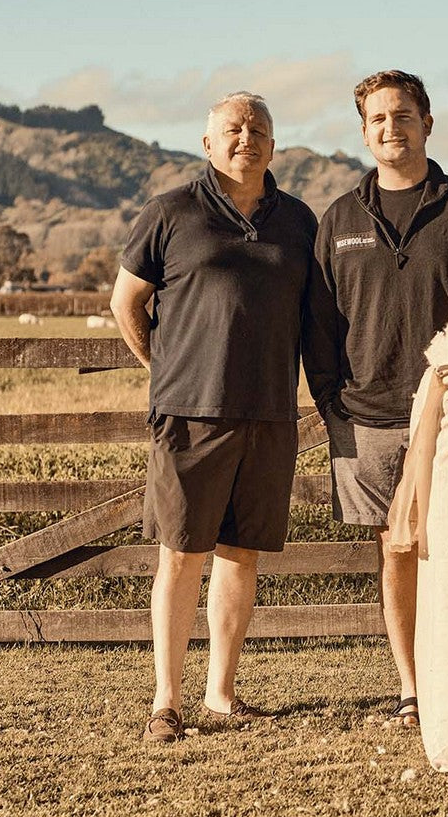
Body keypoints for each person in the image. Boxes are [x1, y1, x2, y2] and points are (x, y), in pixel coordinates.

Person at [304, 69, 448, 728]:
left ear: (428, 123)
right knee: (395, 553)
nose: (390, 128)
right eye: (377, 119)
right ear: (363, 132)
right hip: (370, 422)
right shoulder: (339, 219)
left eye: (402, 116)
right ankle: (413, 687)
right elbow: (319, 330)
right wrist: (336, 414)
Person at [111, 92, 318, 744]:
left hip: (268, 412)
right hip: (190, 413)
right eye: (232, 129)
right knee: (181, 554)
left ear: (273, 146)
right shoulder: (171, 212)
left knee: (240, 554)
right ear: (207, 143)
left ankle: (221, 695)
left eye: (258, 129)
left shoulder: (300, 222)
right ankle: (165, 703)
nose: (245, 138)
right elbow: (127, 302)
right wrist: (164, 368)